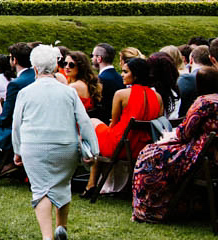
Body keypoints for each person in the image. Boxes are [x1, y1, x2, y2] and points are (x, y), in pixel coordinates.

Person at [11, 44, 98, 240]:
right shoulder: (68, 92)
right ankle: (61, 226)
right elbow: (84, 122)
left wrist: (18, 150)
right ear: (55, 65)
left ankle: (47, 237)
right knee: (63, 181)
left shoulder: (25, 93)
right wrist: (93, 148)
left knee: (40, 190)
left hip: (34, 145)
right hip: (65, 146)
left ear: (34, 68)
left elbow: (17, 124)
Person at [132, 67, 218, 223]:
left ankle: (148, 208)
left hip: (201, 157)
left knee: (149, 155)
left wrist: (170, 136)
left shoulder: (204, 102)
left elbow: (185, 133)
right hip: (211, 155)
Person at [82, 57, 165, 199]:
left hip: (121, 146)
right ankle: (92, 183)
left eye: (125, 72)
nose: (122, 75)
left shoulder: (121, 94)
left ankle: (91, 183)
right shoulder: (157, 97)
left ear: (136, 75)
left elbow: (113, 124)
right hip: (143, 148)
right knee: (97, 130)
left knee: (93, 123)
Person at [91, 43, 122, 123]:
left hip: (103, 122)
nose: (91, 59)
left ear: (99, 59)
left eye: (92, 55)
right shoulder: (120, 77)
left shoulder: (100, 79)